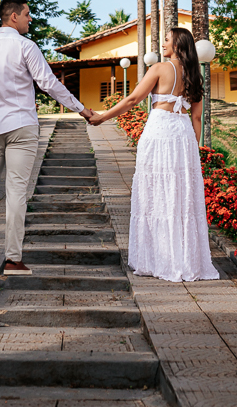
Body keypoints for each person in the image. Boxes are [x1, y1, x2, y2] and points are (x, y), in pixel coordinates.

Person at [0, 0, 94, 277]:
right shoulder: (26, 46)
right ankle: (12, 260)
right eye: (27, 15)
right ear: (13, 17)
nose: (30, 19)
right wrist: (81, 109)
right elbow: (47, 83)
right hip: (21, 126)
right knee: (16, 192)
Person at [89, 27, 218, 283]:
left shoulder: (159, 68)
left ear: (178, 45)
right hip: (183, 136)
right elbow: (196, 117)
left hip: (160, 132)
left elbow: (133, 99)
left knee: (156, 192)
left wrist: (103, 117)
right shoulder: (195, 75)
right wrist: (193, 148)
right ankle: (184, 259)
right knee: (182, 195)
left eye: (167, 40)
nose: (163, 44)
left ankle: (160, 258)